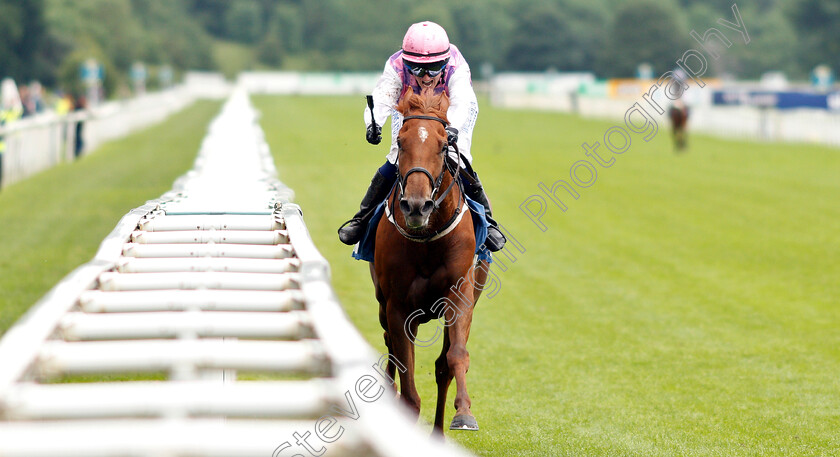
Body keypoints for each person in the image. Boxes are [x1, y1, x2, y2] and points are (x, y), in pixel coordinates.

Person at [338, 21, 506, 251]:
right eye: (416, 69)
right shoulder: (396, 64)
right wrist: (373, 124)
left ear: (445, 62)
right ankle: (361, 219)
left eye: (434, 68)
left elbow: (462, 101)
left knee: (458, 158)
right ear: (407, 63)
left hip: (452, 110)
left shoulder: (457, 65)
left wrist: (454, 128)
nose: (426, 77)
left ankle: (488, 222)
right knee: (397, 154)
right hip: (411, 107)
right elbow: (383, 97)